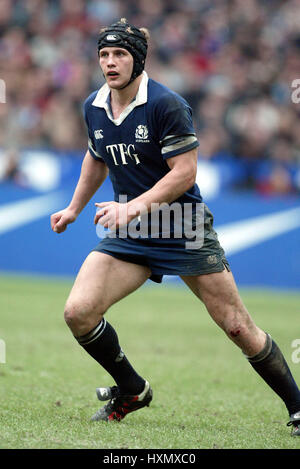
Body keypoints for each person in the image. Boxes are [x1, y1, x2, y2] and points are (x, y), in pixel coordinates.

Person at [50, 18, 300, 435]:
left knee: (238, 326)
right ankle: (131, 390)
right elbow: (97, 156)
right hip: (132, 232)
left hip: (181, 226)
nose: (110, 63)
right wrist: (75, 207)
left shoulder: (166, 104)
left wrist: (133, 208)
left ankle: (297, 406)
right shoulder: (95, 105)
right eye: (104, 55)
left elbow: (184, 173)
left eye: (120, 55)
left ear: (138, 59)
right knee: (78, 312)